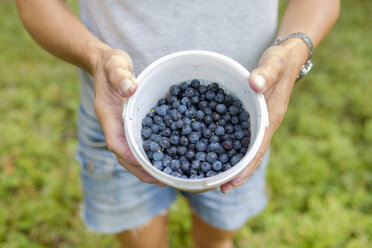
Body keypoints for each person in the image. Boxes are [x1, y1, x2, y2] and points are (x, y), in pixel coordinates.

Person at [16, 0, 340, 247]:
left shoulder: (231, 133)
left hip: (253, 117)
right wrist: (97, 58)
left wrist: (294, 50)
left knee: (217, 236)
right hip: (116, 117)